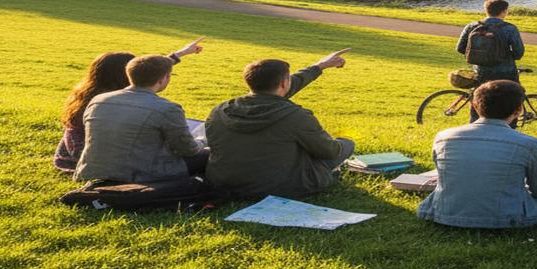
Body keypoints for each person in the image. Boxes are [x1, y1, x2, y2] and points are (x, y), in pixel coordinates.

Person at [417, 80, 537, 228]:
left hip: (443, 213)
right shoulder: (529, 144)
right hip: (508, 216)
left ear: (475, 106)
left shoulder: (443, 136)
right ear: (518, 110)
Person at [205, 49, 355, 199]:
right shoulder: (295, 117)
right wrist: (341, 144)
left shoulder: (219, 111)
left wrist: (319, 66)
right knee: (345, 145)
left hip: (223, 182)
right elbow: (329, 151)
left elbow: (274, 91)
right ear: (283, 83)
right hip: (280, 188)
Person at [54, 39, 204, 173]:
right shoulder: (103, 102)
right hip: (84, 160)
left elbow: (151, 69)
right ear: (124, 74)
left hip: (88, 160)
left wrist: (181, 53)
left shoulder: (93, 95)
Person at [456, 0, 524, 121]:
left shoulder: (472, 26)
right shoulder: (510, 28)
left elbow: (460, 48)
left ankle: (475, 122)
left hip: (481, 71)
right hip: (506, 71)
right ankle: (510, 125)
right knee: (511, 98)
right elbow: (518, 53)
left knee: (479, 97)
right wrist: (504, 56)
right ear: (504, 11)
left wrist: (479, 57)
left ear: (486, 10)